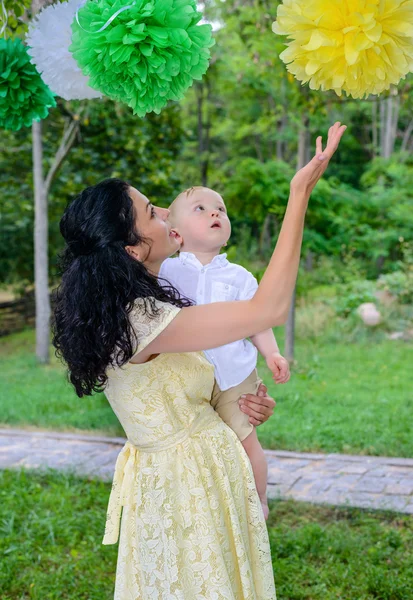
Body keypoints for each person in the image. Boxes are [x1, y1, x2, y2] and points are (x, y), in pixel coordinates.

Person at [53, 122, 346, 599]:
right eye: (152, 211)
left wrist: (248, 406)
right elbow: (267, 311)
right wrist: (299, 194)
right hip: (188, 487)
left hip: (192, 474)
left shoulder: (140, 308)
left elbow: (187, 391)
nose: (166, 211)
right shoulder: (140, 319)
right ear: (132, 247)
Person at [159, 186, 291, 520]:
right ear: (175, 233)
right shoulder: (166, 272)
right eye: (200, 209)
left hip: (234, 377)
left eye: (220, 208)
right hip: (186, 378)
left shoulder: (240, 277)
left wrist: (273, 354)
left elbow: (259, 321)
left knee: (245, 440)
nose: (215, 213)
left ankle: (259, 500)